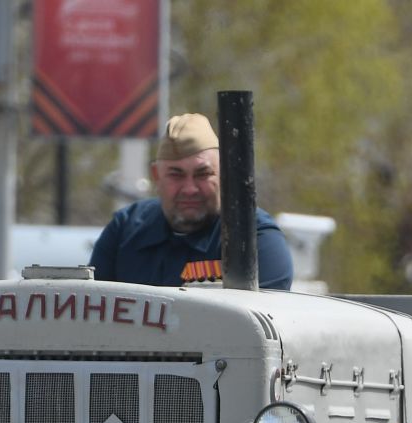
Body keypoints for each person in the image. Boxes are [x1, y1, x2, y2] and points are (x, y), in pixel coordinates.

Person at [87, 113, 294, 290]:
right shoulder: (125, 230)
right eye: (176, 175)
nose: (189, 189)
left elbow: (258, 325)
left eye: (203, 174)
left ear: (224, 174)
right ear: (156, 176)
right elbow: (91, 314)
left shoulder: (254, 239)